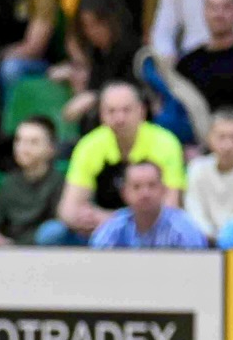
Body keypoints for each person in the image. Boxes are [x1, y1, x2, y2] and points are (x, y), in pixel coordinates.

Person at [41, 81, 186, 243]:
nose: (119, 118)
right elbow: (68, 210)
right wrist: (91, 218)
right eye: (111, 111)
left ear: (142, 111)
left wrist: (114, 220)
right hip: (99, 228)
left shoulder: (166, 143)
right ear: (101, 115)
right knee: (52, 232)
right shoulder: (89, 145)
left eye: (126, 110)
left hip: (152, 231)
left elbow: (171, 208)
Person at [52, 0, 144, 128]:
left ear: (112, 20)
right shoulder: (97, 52)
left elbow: (133, 92)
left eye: (97, 24)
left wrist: (94, 97)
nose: (91, 31)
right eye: (86, 25)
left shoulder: (132, 51)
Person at [0, 114, 64, 245]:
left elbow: (58, 228)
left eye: (33, 142)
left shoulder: (59, 182)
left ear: (51, 148)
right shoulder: (9, 182)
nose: (23, 148)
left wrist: (12, 243)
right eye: (18, 140)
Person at [88, 159, 208, 247]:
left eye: (152, 185)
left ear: (163, 190)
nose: (145, 193)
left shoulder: (183, 228)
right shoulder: (114, 227)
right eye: (136, 187)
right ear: (124, 193)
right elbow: (95, 262)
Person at [182, 106, 233, 241]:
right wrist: (209, 235)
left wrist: (226, 236)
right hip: (204, 240)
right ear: (209, 138)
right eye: (221, 137)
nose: (228, 145)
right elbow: (194, 208)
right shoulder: (197, 168)